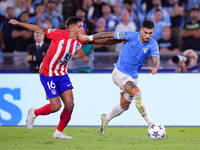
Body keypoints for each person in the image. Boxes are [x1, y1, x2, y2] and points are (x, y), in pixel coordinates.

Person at [9, 16, 121, 139]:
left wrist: (120, 40)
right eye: (80, 26)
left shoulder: (81, 39)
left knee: (70, 105)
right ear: (71, 28)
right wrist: (19, 23)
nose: (83, 28)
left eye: (82, 26)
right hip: (47, 73)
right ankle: (34, 112)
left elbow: (103, 41)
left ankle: (58, 132)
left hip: (62, 74)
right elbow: (38, 29)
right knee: (56, 107)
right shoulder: (57, 33)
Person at [79, 20, 160, 135]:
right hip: (119, 73)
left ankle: (105, 119)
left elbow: (157, 61)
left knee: (124, 106)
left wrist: (155, 68)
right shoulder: (130, 35)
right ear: (140, 30)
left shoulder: (153, 44)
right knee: (137, 93)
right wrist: (89, 38)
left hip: (133, 77)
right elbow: (109, 34)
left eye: (150, 33)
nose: (147, 36)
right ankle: (151, 124)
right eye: (145, 32)